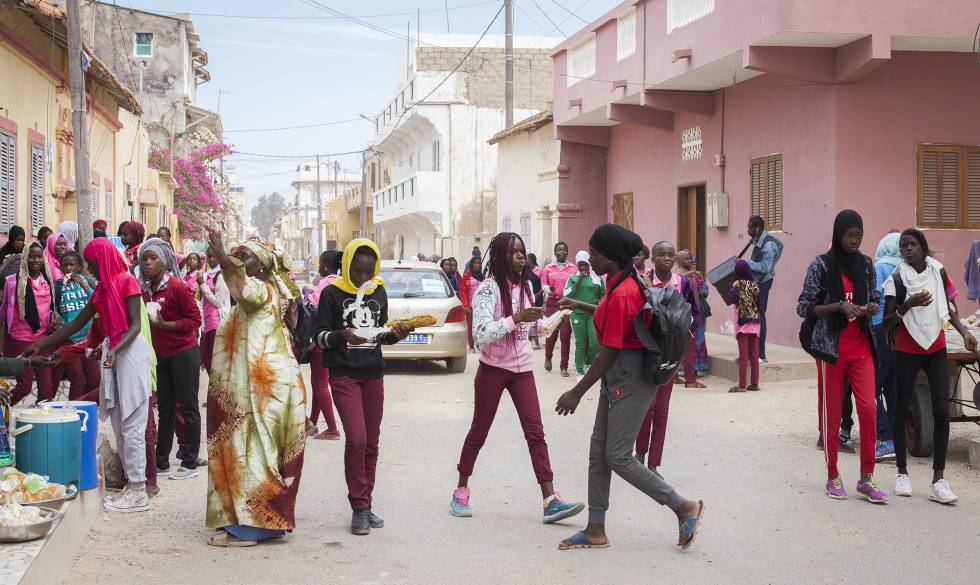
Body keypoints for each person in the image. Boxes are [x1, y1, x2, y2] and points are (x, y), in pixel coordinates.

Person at [554, 223, 704, 551]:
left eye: (594, 253)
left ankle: (683, 506)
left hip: (629, 376)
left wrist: (576, 392)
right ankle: (596, 529)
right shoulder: (619, 282)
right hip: (619, 375)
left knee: (618, 456)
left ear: (610, 256)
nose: (590, 258)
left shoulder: (623, 290)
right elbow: (614, 318)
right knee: (599, 453)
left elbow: (609, 348)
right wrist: (579, 305)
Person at [450, 232, 584, 523]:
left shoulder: (525, 288)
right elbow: (481, 333)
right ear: (500, 256)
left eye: (523, 251)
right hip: (493, 369)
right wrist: (517, 318)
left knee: (536, 433)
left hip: (522, 369)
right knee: (479, 430)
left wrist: (561, 312)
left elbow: (536, 329)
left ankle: (550, 500)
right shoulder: (487, 289)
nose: (522, 257)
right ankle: (461, 490)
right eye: (515, 252)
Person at [26, 238, 157, 512]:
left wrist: (115, 349)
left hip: (130, 352)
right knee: (120, 426)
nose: (90, 269)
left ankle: (138, 491)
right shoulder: (100, 291)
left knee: (133, 424)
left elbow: (134, 326)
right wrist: (44, 344)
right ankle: (131, 487)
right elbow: (76, 323)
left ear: (103, 259)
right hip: (116, 353)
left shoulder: (126, 281)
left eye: (92, 263)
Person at [205, 229, 307, 547]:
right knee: (247, 452)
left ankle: (254, 527)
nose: (238, 261)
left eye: (244, 257)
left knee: (255, 452)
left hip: (263, 395)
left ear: (261, 266)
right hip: (253, 392)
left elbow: (240, 285)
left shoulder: (261, 291)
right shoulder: (256, 298)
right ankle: (247, 521)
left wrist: (223, 257)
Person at [312, 238, 414, 536]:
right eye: (357, 271)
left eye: (368, 272)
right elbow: (316, 337)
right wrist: (342, 335)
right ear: (346, 266)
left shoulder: (378, 291)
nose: (362, 278)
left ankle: (366, 504)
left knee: (371, 442)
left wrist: (397, 334)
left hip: (373, 373)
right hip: (343, 374)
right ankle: (357, 506)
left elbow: (380, 335)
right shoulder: (331, 293)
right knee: (356, 438)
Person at [797, 210, 886, 503]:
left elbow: (874, 296)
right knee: (833, 415)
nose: (854, 241)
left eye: (859, 236)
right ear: (838, 235)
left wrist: (871, 306)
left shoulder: (866, 265)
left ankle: (867, 477)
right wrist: (838, 306)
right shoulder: (821, 266)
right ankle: (833, 475)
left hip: (860, 346)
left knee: (869, 408)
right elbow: (804, 306)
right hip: (831, 349)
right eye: (849, 236)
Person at [883, 228, 977, 504]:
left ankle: (939, 479)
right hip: (907, 349)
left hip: (935, 347)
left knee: (941, 411)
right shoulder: (896, 280)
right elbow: (887, 323)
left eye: (912, 244)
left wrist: (964, 332)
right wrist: (908, 304)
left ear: (924, 247)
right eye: (903, 246)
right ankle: (902, 473)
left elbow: (949, 307)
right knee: (900, 410)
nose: (907, 249)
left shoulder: (938, 271)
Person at [137, 238, 202, 480]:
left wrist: (166, 324)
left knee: (188, 406)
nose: (148, 263)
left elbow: (195, 320)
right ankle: (161, 461)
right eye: (144, 258)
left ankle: (189, 460)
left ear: (164, 261)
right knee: (164, 408)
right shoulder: (144, 290)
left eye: (153, 258)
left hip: (184, 352)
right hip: (160, 355)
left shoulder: (177, 287)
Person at [634, 241, 702, 472]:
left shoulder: (682, 282)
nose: (666, 258)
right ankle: (640, 452)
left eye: (670, 255)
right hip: (648, 351)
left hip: (672, 353)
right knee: (646, 406)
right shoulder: (643, 281)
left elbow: (694, 310)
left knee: (662, 409)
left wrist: (686, 329)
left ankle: (654, 463)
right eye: (661, 255)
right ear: (652, 259)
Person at [1, 244, 58, 405]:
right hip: (21, 339)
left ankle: (44, 423)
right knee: (24, 386)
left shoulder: (47, 282)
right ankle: (3, 408)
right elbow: (5, 310)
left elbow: (50, 308)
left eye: (39, 256)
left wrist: (54, 316)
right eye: (32, 256)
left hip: (43, 340)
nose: (35, 260)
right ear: (25, 257)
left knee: (46, 388)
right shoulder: (12, 282)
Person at [868, 233, 901, 460]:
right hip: (897, 331)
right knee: (891, 388)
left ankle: (886, 439)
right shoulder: (904, 268)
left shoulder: (879, 267)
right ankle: (896, 439)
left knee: (870, 389)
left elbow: (874, 296)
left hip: (879, 327)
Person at [51, 251, 98, 401]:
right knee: (77, 380)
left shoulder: (88, 282)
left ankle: (85, 407)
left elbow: (98, 302)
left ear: (78, 267)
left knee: (95, 380)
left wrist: (85, 287)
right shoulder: (58, 286)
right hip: (68, 338)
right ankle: (73, 413)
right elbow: (54, 308)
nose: (69, 268)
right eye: (65, 265)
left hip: (89, 338)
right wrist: (55, 315)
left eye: (72, 265)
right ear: (60, 267)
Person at [306, 250, 342, 440]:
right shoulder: (340, 283)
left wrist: (307, 293)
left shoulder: (326, 283)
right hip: (333, 337)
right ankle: (312, 420)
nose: (318, 268)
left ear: (326, 266)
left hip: (319, 338)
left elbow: (314, 308)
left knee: (319, 384)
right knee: (317, 383)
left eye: (320, 264)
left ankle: (332, 428)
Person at [746, 216, 783, 362]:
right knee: (753, 316)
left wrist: (746, 264)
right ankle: (753, 352)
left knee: (760, 316)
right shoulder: (758, 241)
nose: (747, 230)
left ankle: (761, 355)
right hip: (756, 282)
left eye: (749, 228)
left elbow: (765, 267)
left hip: (763, 283)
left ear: (756, 228)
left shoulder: (767, 245)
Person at [563, 251, 604, 380]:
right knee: (580, 342)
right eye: (579, 265)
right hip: (577, 315)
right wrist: (579, 279)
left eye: (584, 265)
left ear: (589, 264)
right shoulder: (572, 277)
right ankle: (580, 371)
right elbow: (566, 294)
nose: (582, 268)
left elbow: (603, 296)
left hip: (593, 314)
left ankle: (587, 362)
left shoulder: (597, 278)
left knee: (595, 342)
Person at [541, 242, 576, 376]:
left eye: (564, 249)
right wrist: (547, 289)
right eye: (559, 250)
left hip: (567, 303)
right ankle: (548, 357)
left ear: (567, 252)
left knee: (565, 335)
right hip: (552, 303)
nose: (561, 251)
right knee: (551, 332)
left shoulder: (573, 268)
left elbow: (575, 285)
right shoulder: (548, 268)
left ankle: (563, 367)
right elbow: (543, 284)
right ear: (555, 253)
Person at [728, 260, 760, 393]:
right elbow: (759, 305)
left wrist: (734, 286)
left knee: (743, 356)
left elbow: (732, 299)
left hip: (742, 326)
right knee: (754, 355)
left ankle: (741, 385)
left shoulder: (737, 287)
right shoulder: (756, 287)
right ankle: (754, 384)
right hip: (755, 325)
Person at [197, 247, 230, 375]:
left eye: (214, 256)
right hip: (207, 325)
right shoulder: (205, 275)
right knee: (208, 362)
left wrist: (203, 286)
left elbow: (218, 302)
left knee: (216, 365)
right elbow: (202, 301)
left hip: (217, 324)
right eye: (209, 256)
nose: (211, 259)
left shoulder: (221, 276)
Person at [677, 250, 709, 375]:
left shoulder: (696, 276)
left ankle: (698, 367)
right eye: (686, 259)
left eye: (690, 259)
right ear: (679, 261)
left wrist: (699, 288)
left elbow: (705, 292)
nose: (689, 261)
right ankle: (681, 370)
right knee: (683, 342)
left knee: (698, 341)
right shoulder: (676, 276)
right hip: (682, 314)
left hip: (695, 313)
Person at [459, 255, 484, 353]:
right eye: (475, 263)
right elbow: (463, 291)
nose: (477, 265)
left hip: (480, 306)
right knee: (470, 326)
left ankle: (479, 343)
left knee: (480, 326)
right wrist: (466, 305)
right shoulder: (466, 276)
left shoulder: (482, 277)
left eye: (479, 263)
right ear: (472, 264)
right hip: (470, 306)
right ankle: (471, 346)